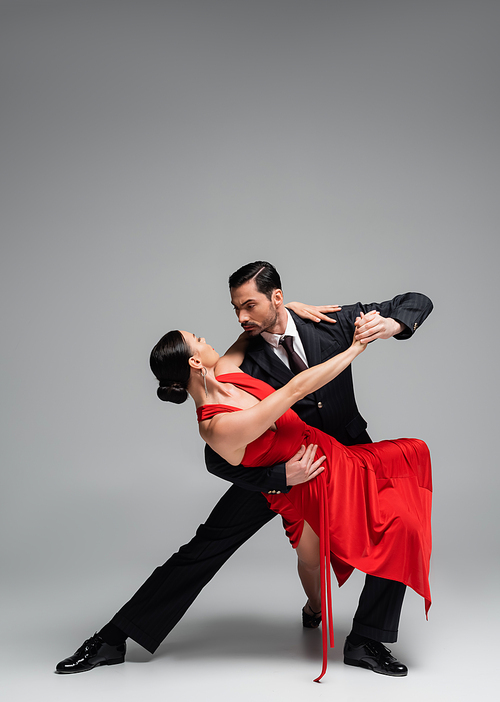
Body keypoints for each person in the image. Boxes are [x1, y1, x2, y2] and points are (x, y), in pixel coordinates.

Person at [56, 262, 433, 677]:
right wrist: (278, 478)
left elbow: (415, 302)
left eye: (249, 306)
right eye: (236, 309)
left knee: (401, 525)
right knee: (203, 550)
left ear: (275, 297)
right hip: (275, 470)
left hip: (342, 456)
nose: (240, 318)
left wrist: (392, 324)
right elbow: (218, 455)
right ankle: (112, 639)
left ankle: (366, 640)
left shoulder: (329, 321)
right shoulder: (235, 365)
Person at [147, 320, 432, 682]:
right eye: (197, 340)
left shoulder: (226, 372)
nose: (205, 339)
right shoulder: (216, 427)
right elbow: (295, 389)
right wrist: (355, 348)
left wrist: (289, 310)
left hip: (334, 460)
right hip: (301, 484)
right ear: (194, 363)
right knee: (310, 557)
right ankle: (315, 606)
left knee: (403, 518)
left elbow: (249, 334)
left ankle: (366, 641)